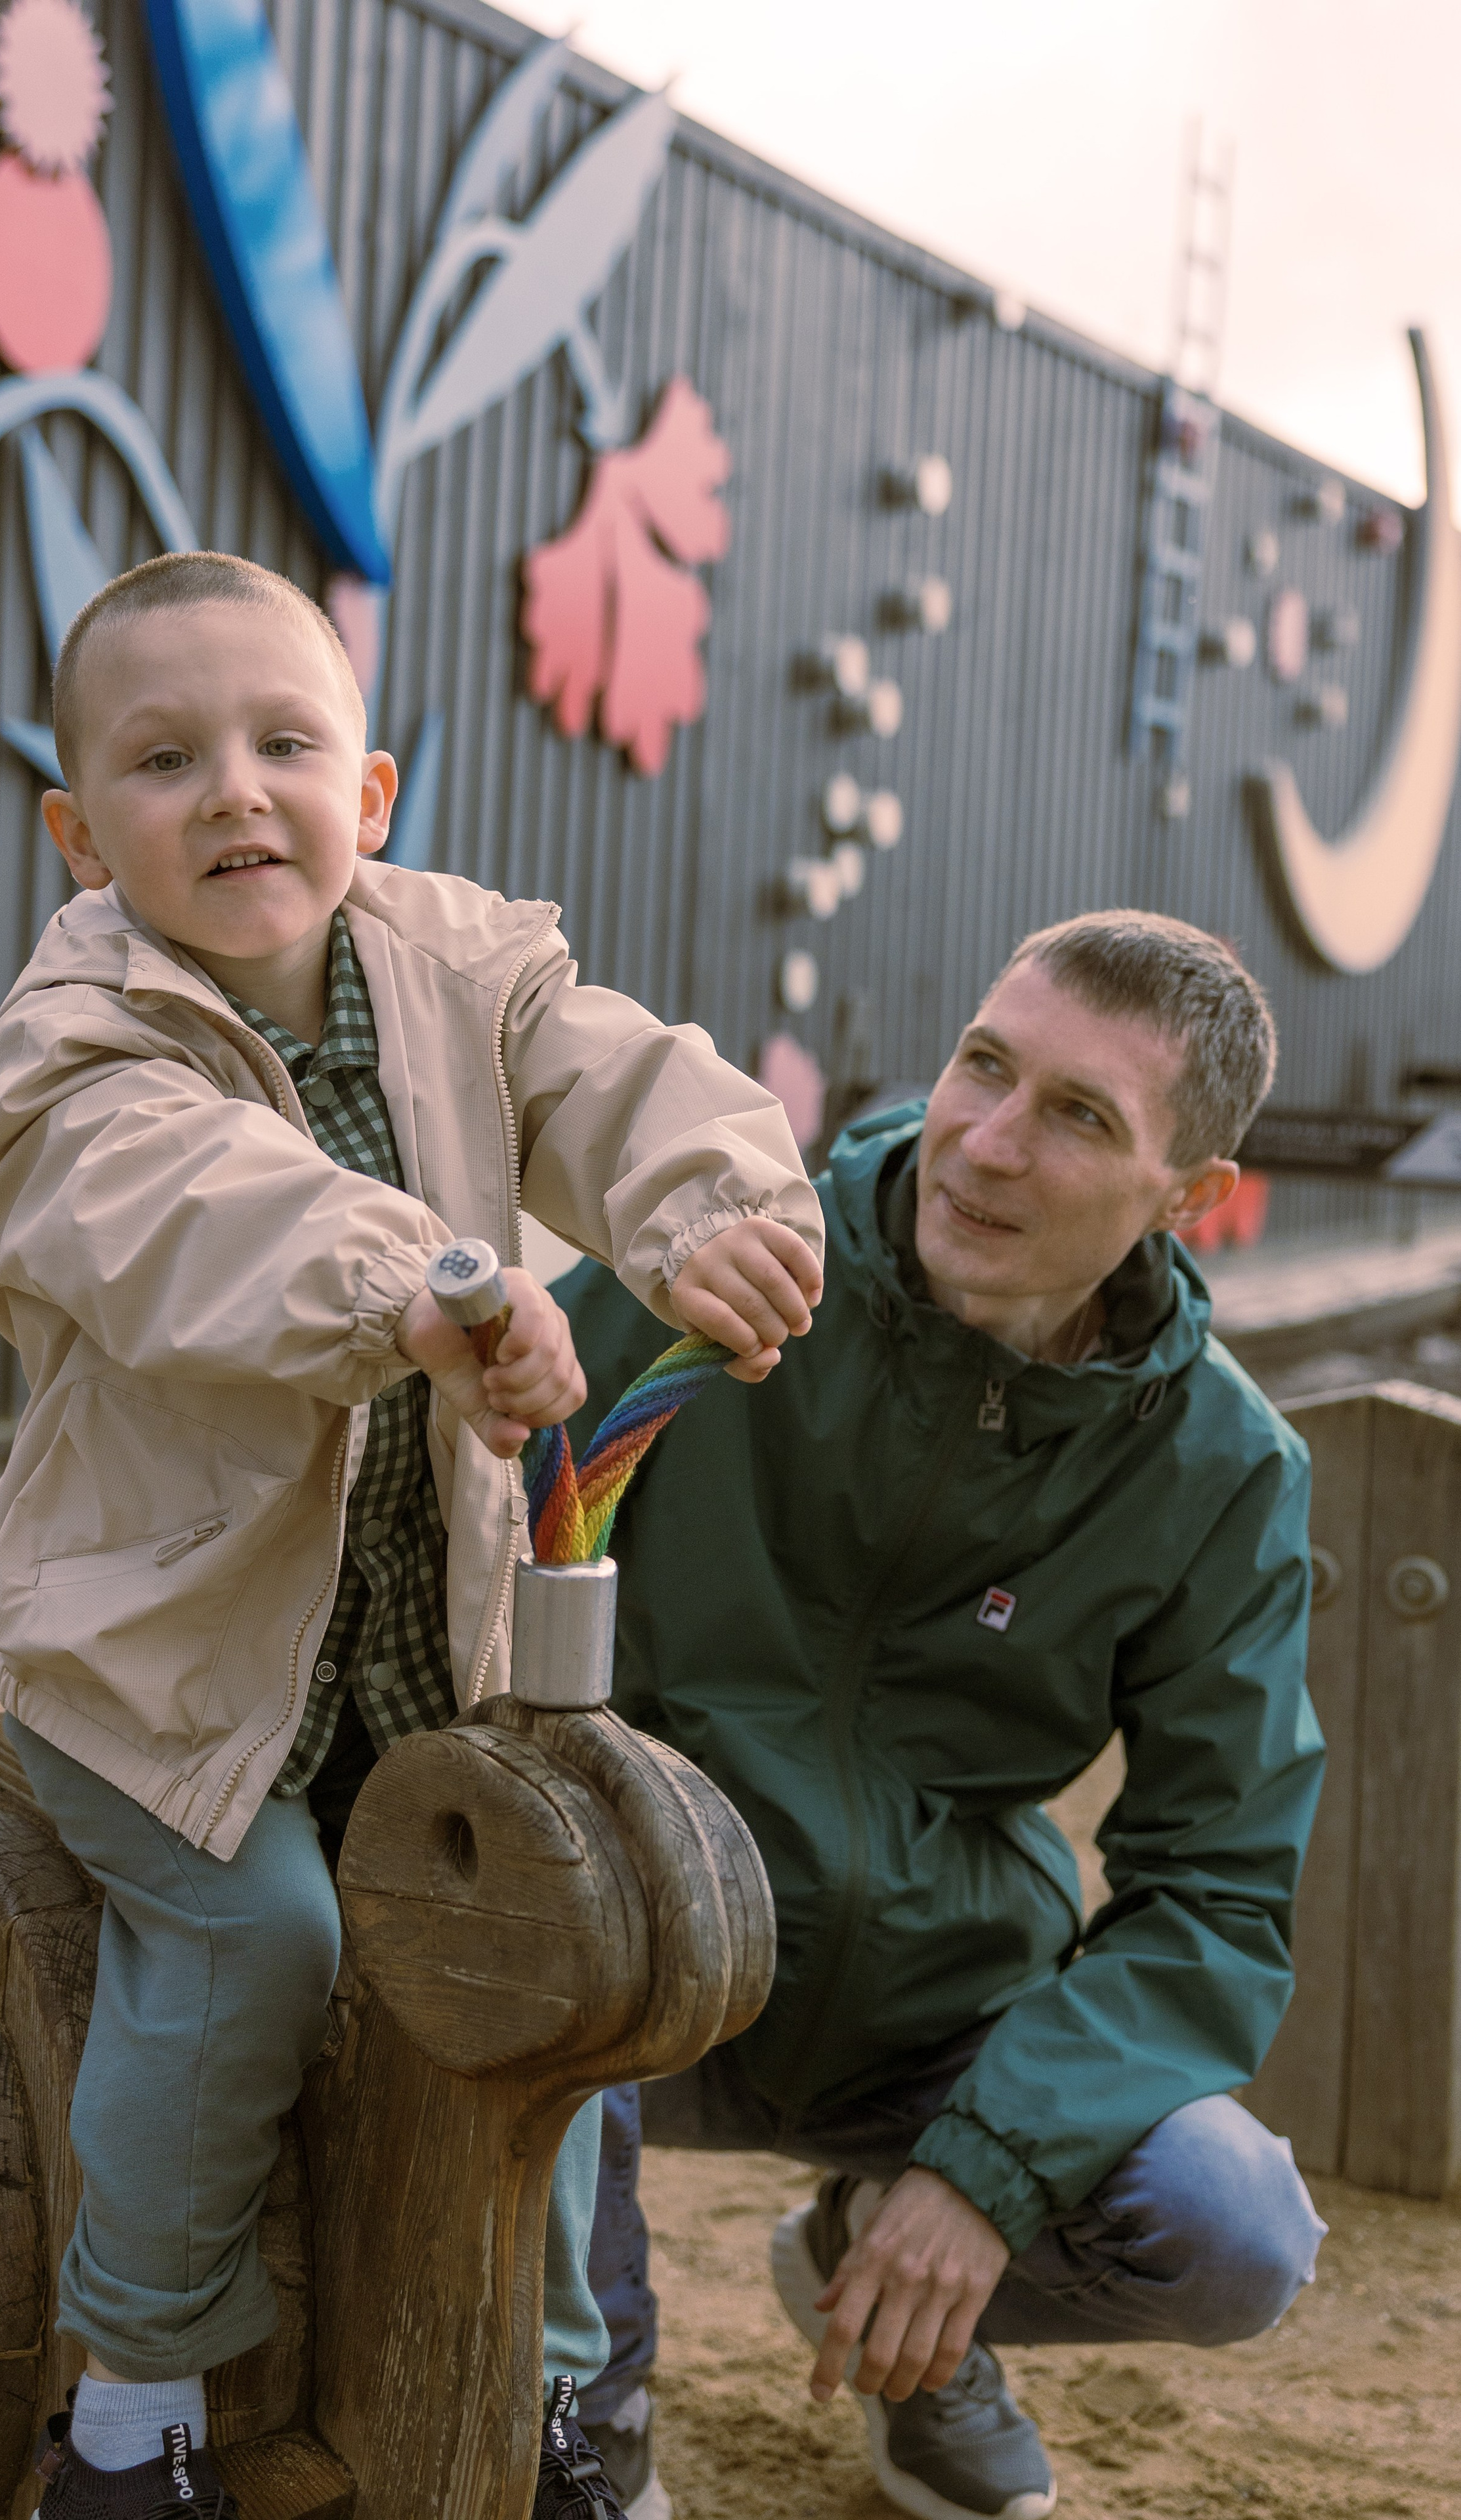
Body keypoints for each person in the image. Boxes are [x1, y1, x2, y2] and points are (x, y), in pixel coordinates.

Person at [0, 549, 824, 2520]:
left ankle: (561, 2399)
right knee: (254, 1936)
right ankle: (136, 2402)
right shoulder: (71, 1051)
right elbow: (189, 1207)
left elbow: (608, 1073)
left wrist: (706, 1206)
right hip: (164, 1664)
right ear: (82, 835)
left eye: (284, 743)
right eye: (167, 759)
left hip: (425, 1652)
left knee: (562, 1943)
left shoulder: (459, 962)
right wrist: (423, 1282)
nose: (237, 790)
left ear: (376, 793)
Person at [559, 912, 1328, 2520]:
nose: (984, 1144)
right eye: (986, 1064)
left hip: (926, 2007)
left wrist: (984, 2173)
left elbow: (1215, 1894)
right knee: (513, 2003)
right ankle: (589, 2424)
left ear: (1187, 1198)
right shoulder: (732, 1267)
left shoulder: (1221, 1471)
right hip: (635, 1951)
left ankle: (893, 2279)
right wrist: (78, 1567)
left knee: (1229, 2231)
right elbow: (433, 1476)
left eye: (1078, 1116)